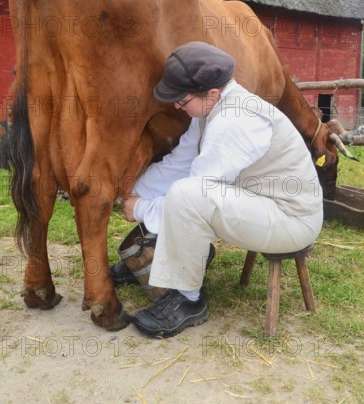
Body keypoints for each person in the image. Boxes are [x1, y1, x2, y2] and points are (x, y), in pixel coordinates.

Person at [112, 41, 323, 338]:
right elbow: (179, 163)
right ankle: (153, 260)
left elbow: (196, 193)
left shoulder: (233, 121)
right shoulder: (211, 109)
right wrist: (136, 189)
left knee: (187, 196)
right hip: (261, 204)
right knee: (172, 190)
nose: (175, 106)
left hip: (290, 219)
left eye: (181, 100)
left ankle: (189, 300)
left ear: (211, 93)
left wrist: (141, 208)